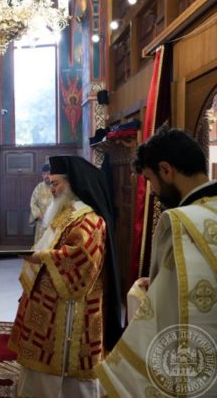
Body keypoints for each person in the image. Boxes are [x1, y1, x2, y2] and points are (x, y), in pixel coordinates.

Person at [95, 127, 217, 397]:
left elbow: (165, 314)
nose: (153, 192)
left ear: (166, 170)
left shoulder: (180, 223)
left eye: (150, 180)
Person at [9, 155, 122, 398]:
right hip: (49, 298)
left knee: (63, 359)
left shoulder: (89, 219)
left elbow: (81, 259)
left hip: (71, 306)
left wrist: (41, 257)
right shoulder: (66, 212)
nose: (52, 189)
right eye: (51, 183)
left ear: (72, 184)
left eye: (56, 183)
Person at [28, 163, 52, 244]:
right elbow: (33, 203)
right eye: (44, 174)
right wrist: (38, 215)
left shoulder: (56, 186)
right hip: (41, 222)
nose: (46, 176)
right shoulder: (39, 187)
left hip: (54, 223)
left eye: (48, 173)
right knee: (40, 245)